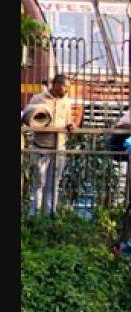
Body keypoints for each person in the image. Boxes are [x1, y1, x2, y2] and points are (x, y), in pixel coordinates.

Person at [22, 74, 78, 215]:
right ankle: (34, 215)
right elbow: (27, 117)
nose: (67, 90)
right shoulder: (38, 99)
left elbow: (67, 121)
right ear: (56, 85)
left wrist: (71, 125)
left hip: (59, 147)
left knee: (54, 183)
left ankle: (50, 214)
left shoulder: (66, 102)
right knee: (39, 182)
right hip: (41, 147)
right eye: (65, 87)